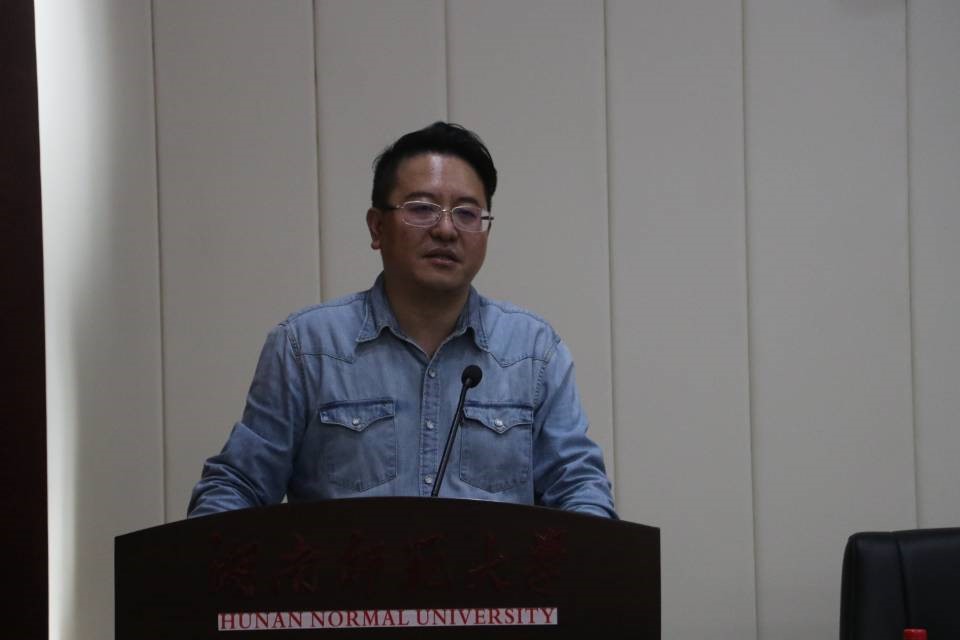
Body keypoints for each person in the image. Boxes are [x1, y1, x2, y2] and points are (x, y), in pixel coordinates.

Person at [188, 122, 615, 519]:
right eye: (422, 208)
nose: (446, 230)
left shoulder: (532, 351)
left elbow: (579, 488)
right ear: (377, 228)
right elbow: (239, 485)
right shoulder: (307, 347)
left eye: (467, 213)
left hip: (494, 580)